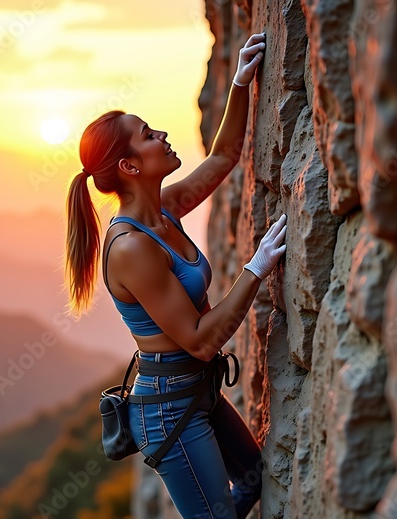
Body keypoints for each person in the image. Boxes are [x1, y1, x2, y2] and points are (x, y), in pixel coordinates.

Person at [64, 33, 286, 519]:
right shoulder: (132, 248)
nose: (161, 135)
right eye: (148, 134)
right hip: (168, 413)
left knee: (252, 480)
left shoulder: (163, 211)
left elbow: (224, 157)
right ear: (128, 166)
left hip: (195, 391)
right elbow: (202, 341)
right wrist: (256, 268)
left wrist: (240, 84)